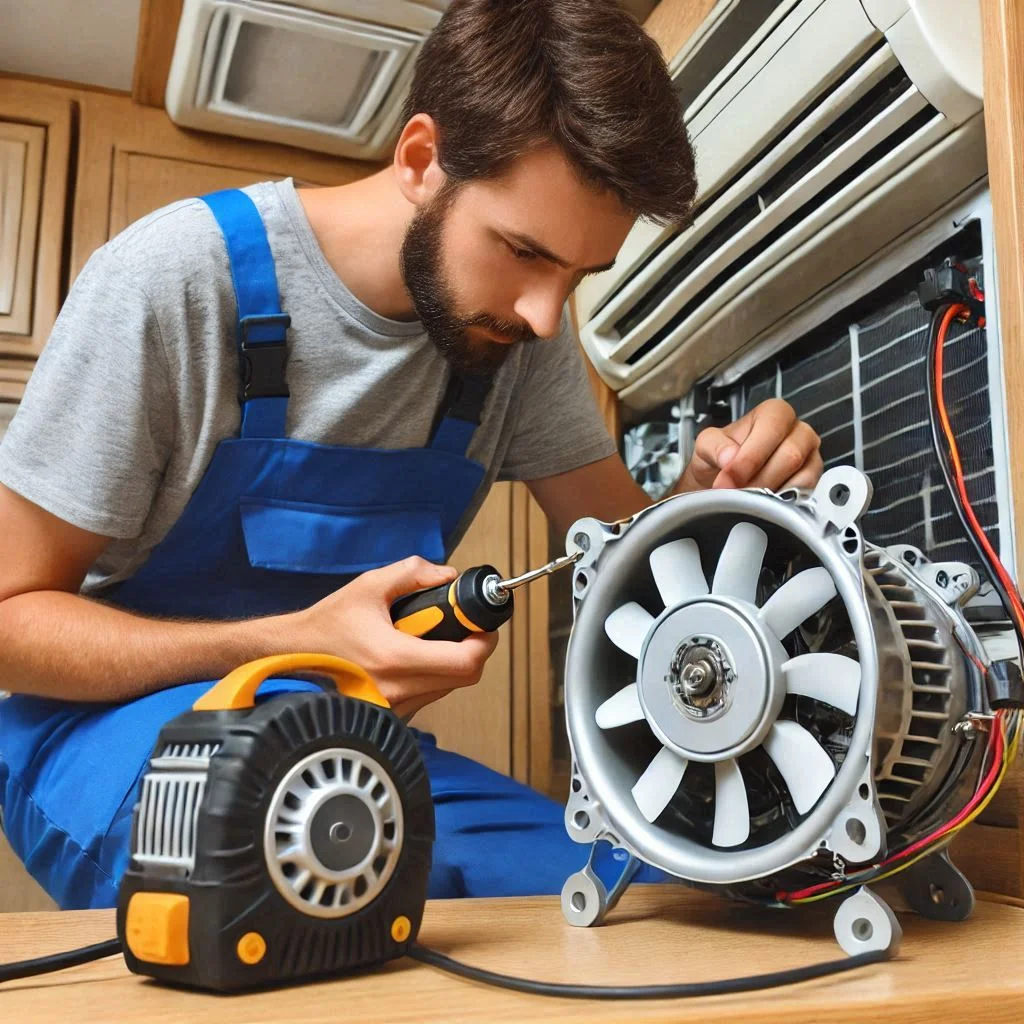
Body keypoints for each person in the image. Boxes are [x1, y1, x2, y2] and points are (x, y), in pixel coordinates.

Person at [0, 0, 823, 910]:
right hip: (106, 739)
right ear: (422, 161)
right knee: (307, 894)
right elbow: (7, 622)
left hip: (340, 749)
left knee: (654, 901)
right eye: (522, 252)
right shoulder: (176, 281)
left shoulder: (520, 338)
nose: (548, 317)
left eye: (576, 277)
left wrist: (710, 501)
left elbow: (633, 551)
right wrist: (287, 643)